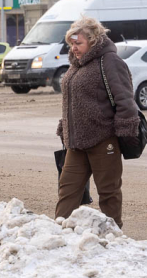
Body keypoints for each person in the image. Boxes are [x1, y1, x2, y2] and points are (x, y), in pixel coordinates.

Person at [55, 16, 140, 228]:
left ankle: (114, 236)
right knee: (67, 190)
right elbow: (73, 100)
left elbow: (125, 100)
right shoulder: (77, 64)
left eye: (78, 43)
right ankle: (57, 234)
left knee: (108, 192)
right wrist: (65, 125)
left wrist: (125, 131)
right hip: (76, 142)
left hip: (103, 140)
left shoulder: (110, 62)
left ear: (93, 41)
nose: (74, 48)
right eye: (71, 44)